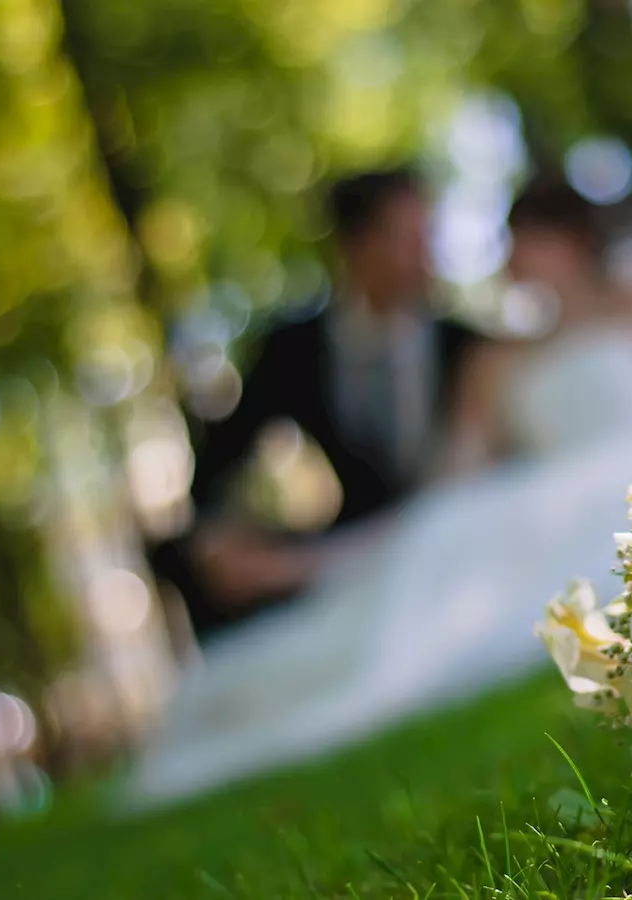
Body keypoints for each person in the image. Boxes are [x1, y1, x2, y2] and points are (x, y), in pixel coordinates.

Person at [126, 177, 632, 805]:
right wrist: (286, 558)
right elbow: (446, 493)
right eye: (409, 238)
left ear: (572, 242)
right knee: (440, 556)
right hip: (500, 506)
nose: (441, 254)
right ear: (356, 247)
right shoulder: (488, 360)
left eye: (525, 237)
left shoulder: (631, 311)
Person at [151, 168, 481, 643]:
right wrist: (217, 534)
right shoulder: (293, 349)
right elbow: (226, 452)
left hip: (452, 528)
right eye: (410, 240)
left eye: (428, 237)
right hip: (355, 539)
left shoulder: (464, 344)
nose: (429, 257)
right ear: (358, 247)